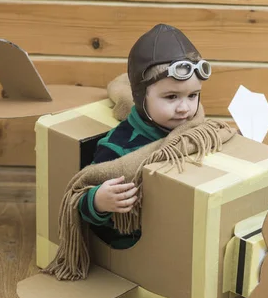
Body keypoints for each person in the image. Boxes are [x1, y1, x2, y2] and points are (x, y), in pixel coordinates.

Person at [78, 24, 212, 249]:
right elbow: (79, 200)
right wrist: (99, 201)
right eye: (171, 97)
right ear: (140, 97)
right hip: (134, 243)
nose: (184, 108)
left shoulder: (195, 128)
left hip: (184, 232)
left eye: (192, 96)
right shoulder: (117, 149)